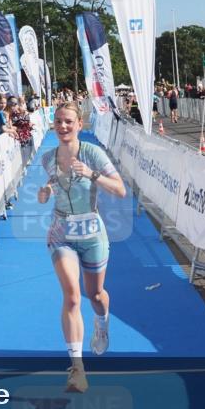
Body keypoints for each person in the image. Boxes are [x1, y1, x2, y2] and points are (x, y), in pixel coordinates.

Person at [38, 102, 126, 393]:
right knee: (72, 297)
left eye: (69, 122)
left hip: (91, 234)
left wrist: (92, 174)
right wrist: (46, 191)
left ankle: (101, 322)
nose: (63, 127)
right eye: (59, 122)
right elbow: (52, 184)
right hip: (61, 231)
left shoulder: (92, 153)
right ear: (54, 125)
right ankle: (77, 369)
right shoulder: (48, 158)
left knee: (95, 295)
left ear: (79, 124)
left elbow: (121, 189)